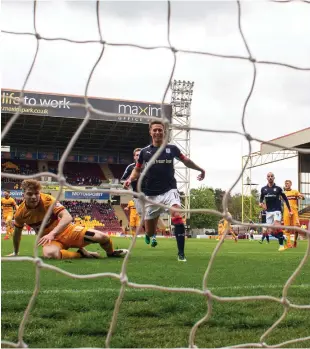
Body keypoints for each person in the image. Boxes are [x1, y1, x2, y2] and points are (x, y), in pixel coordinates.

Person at [124, 120, 205, 262]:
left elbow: (186, 161)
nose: (157, 132)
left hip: (169, 190)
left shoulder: (172, 149)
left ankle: (181, 254)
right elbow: (137, 170)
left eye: (160, 130)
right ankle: (150, 235)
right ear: (150, 132)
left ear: (164, 132)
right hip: (151, 195)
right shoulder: (144, 152)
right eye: (154, 130)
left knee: (177, 216)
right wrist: (130, 179)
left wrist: (200, 169)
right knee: (149, 231)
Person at [6, 179, 128, 259]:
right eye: (29, 194)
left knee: (103, 237)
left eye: (36, 193)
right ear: (23, 194)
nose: (34, 197)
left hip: (68, 231)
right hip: (50, 240)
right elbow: (17, 233)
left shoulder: (47, 200)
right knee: (50, 254)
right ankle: (80, 254)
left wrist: (53, 233)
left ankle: (111, 253)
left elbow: (67, 217)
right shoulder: (20, 213)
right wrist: (16, 252)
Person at [121, 147, 166, 235]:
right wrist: (126, 185)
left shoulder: (150, 166)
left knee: (153, 214)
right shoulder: (130, 167)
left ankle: (153, 235)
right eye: (137, 155)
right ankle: (149, 233)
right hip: (137, 196)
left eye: (140, 154)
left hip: (150, 195)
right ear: (134, 157)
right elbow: (123, 180)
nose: (139, 156)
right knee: (143, 216)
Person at [259, 172, 292, 251]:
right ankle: (283, 238)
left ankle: (281, 246)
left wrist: (290, 210)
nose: (270, 177)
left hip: (277, 210)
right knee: (270, 231)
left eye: (271, 176)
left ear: (274, 178)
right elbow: (261, 199)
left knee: (277, 226)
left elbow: (285, 199)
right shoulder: (263, 189)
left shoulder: (278, 188)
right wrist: (261, 204)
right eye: (268, 176)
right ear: (266, 178)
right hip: (268, 212)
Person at [283, 180, 305, 248]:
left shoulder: (295, 191)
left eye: (288, 183)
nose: (286, 184)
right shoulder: (283, 193)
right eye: (285, 183)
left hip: (294, 211)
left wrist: (302, 196)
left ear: (291, 184)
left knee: (297, 227)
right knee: (287, 228)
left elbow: (302, 197)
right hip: (286, 212)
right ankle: (289, 244)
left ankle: (295, 241)